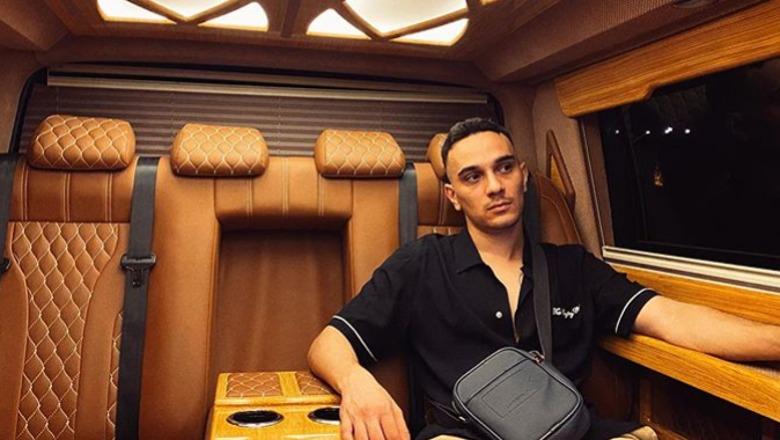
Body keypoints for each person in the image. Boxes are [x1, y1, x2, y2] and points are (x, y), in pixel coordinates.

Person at [307, 117, 780, 440]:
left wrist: (775, 340)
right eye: (472, 177)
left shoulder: (573, 266)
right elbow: (328, 343)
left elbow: (673, 319)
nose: (494, 186)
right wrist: (357, 383)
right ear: (452, 196)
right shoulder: (422, 263)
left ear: (523, 176)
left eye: (503, 168)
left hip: (567, 429)